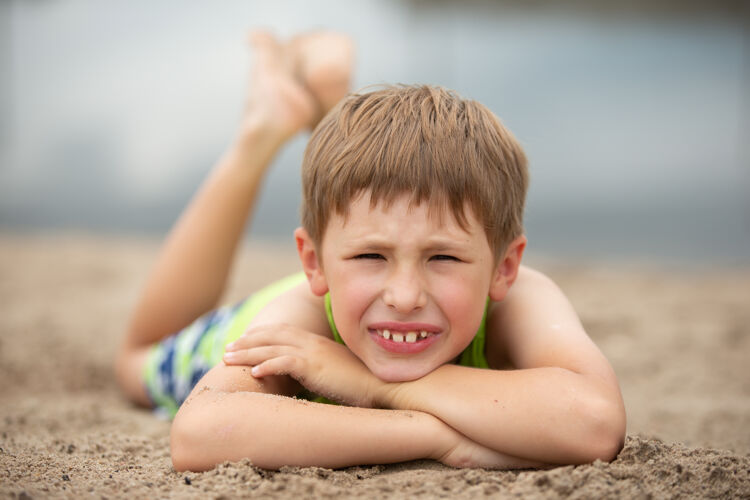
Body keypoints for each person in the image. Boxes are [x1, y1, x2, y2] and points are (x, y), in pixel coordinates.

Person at [114, 30, 626, 472]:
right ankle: (261, 134)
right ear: (313, 263)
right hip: (242, 331)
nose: (406, 296)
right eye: (372, 257)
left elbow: (596, 421)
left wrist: (373, 386)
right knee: (134, 360)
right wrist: (438, 436)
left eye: (443, 258)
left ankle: (319, 113)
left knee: (362, 215)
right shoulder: (300, 318)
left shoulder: (521, 298)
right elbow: (201, 432)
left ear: (504, 267)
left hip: (354, 298)